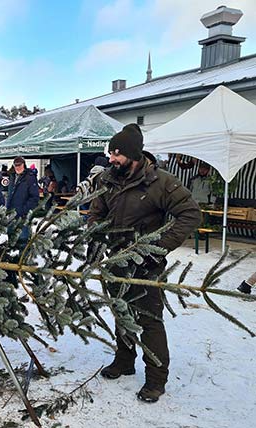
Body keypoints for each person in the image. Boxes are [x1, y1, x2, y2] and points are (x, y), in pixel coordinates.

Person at [89, 123, 201, 403]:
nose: (111, 159)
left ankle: (155, 380)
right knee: (120, 313)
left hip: (146, 265)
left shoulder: (161, 182)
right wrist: (95, 235)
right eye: (110, 153)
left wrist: (157, 248)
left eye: (116, 154)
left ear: (134, 155)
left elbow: (190, 214)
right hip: (114, 260)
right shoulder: (108, 179)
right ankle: (124, 361)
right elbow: (95, 211)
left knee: (149, 321)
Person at [6, 156, 40, 244]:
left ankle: (23, 257)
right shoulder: (12, 177)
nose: (17, 167)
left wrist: (24, 210)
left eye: (19, 165)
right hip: (11, 214)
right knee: (10, 240)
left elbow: (34, 197)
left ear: (23, 165)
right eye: (15, 165)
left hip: (23, 215)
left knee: (23, 240)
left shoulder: (30, 177)